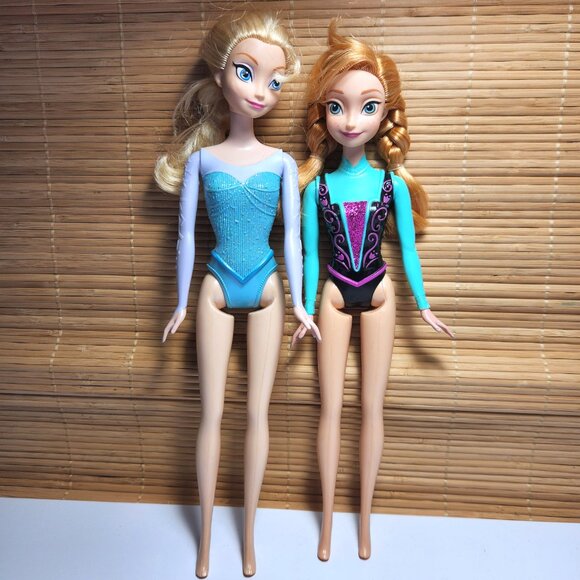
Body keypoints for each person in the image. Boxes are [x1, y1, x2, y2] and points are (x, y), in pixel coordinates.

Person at [155, 12, 319, 578]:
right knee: (212, 415)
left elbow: (293, 239)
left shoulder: (281, 163)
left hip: (268, 285)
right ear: (221, 73)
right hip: (216, 286)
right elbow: (184, 235)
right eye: (248, 73)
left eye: (274, 81)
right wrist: (180, 303)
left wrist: (301, 303)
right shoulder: (202, 160)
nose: (261, 91)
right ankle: (205, 542)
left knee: (258, 415)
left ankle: (248, 538)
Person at [293, 20, 454, 562]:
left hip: (380, 291)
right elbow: (312, 255)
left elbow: (407, 252)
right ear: (323, 113)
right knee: (329, 410)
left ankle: (363, 521)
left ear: (386, 113)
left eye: (367, 106)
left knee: (372, 408)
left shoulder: (392, 184)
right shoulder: (316, 186)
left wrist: (424, 305)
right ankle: (327, 524)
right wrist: (303, 307)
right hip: (334, 295)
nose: (351, 120)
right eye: (336, 106)